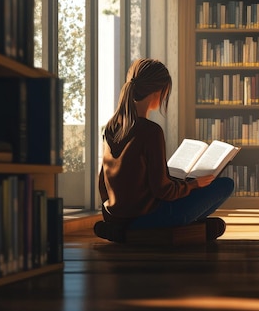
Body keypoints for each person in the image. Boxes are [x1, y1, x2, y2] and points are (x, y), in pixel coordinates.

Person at [95, 58, 234, 242]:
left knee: (192, 206)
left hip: (115, 216)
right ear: (159, 92)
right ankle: (172, 231)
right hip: (147, 217)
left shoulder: (112, 127)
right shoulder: (151, 131)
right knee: (225, 185)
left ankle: (126, 232)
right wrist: (194, 184)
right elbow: (163, 191)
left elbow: (103, 181)